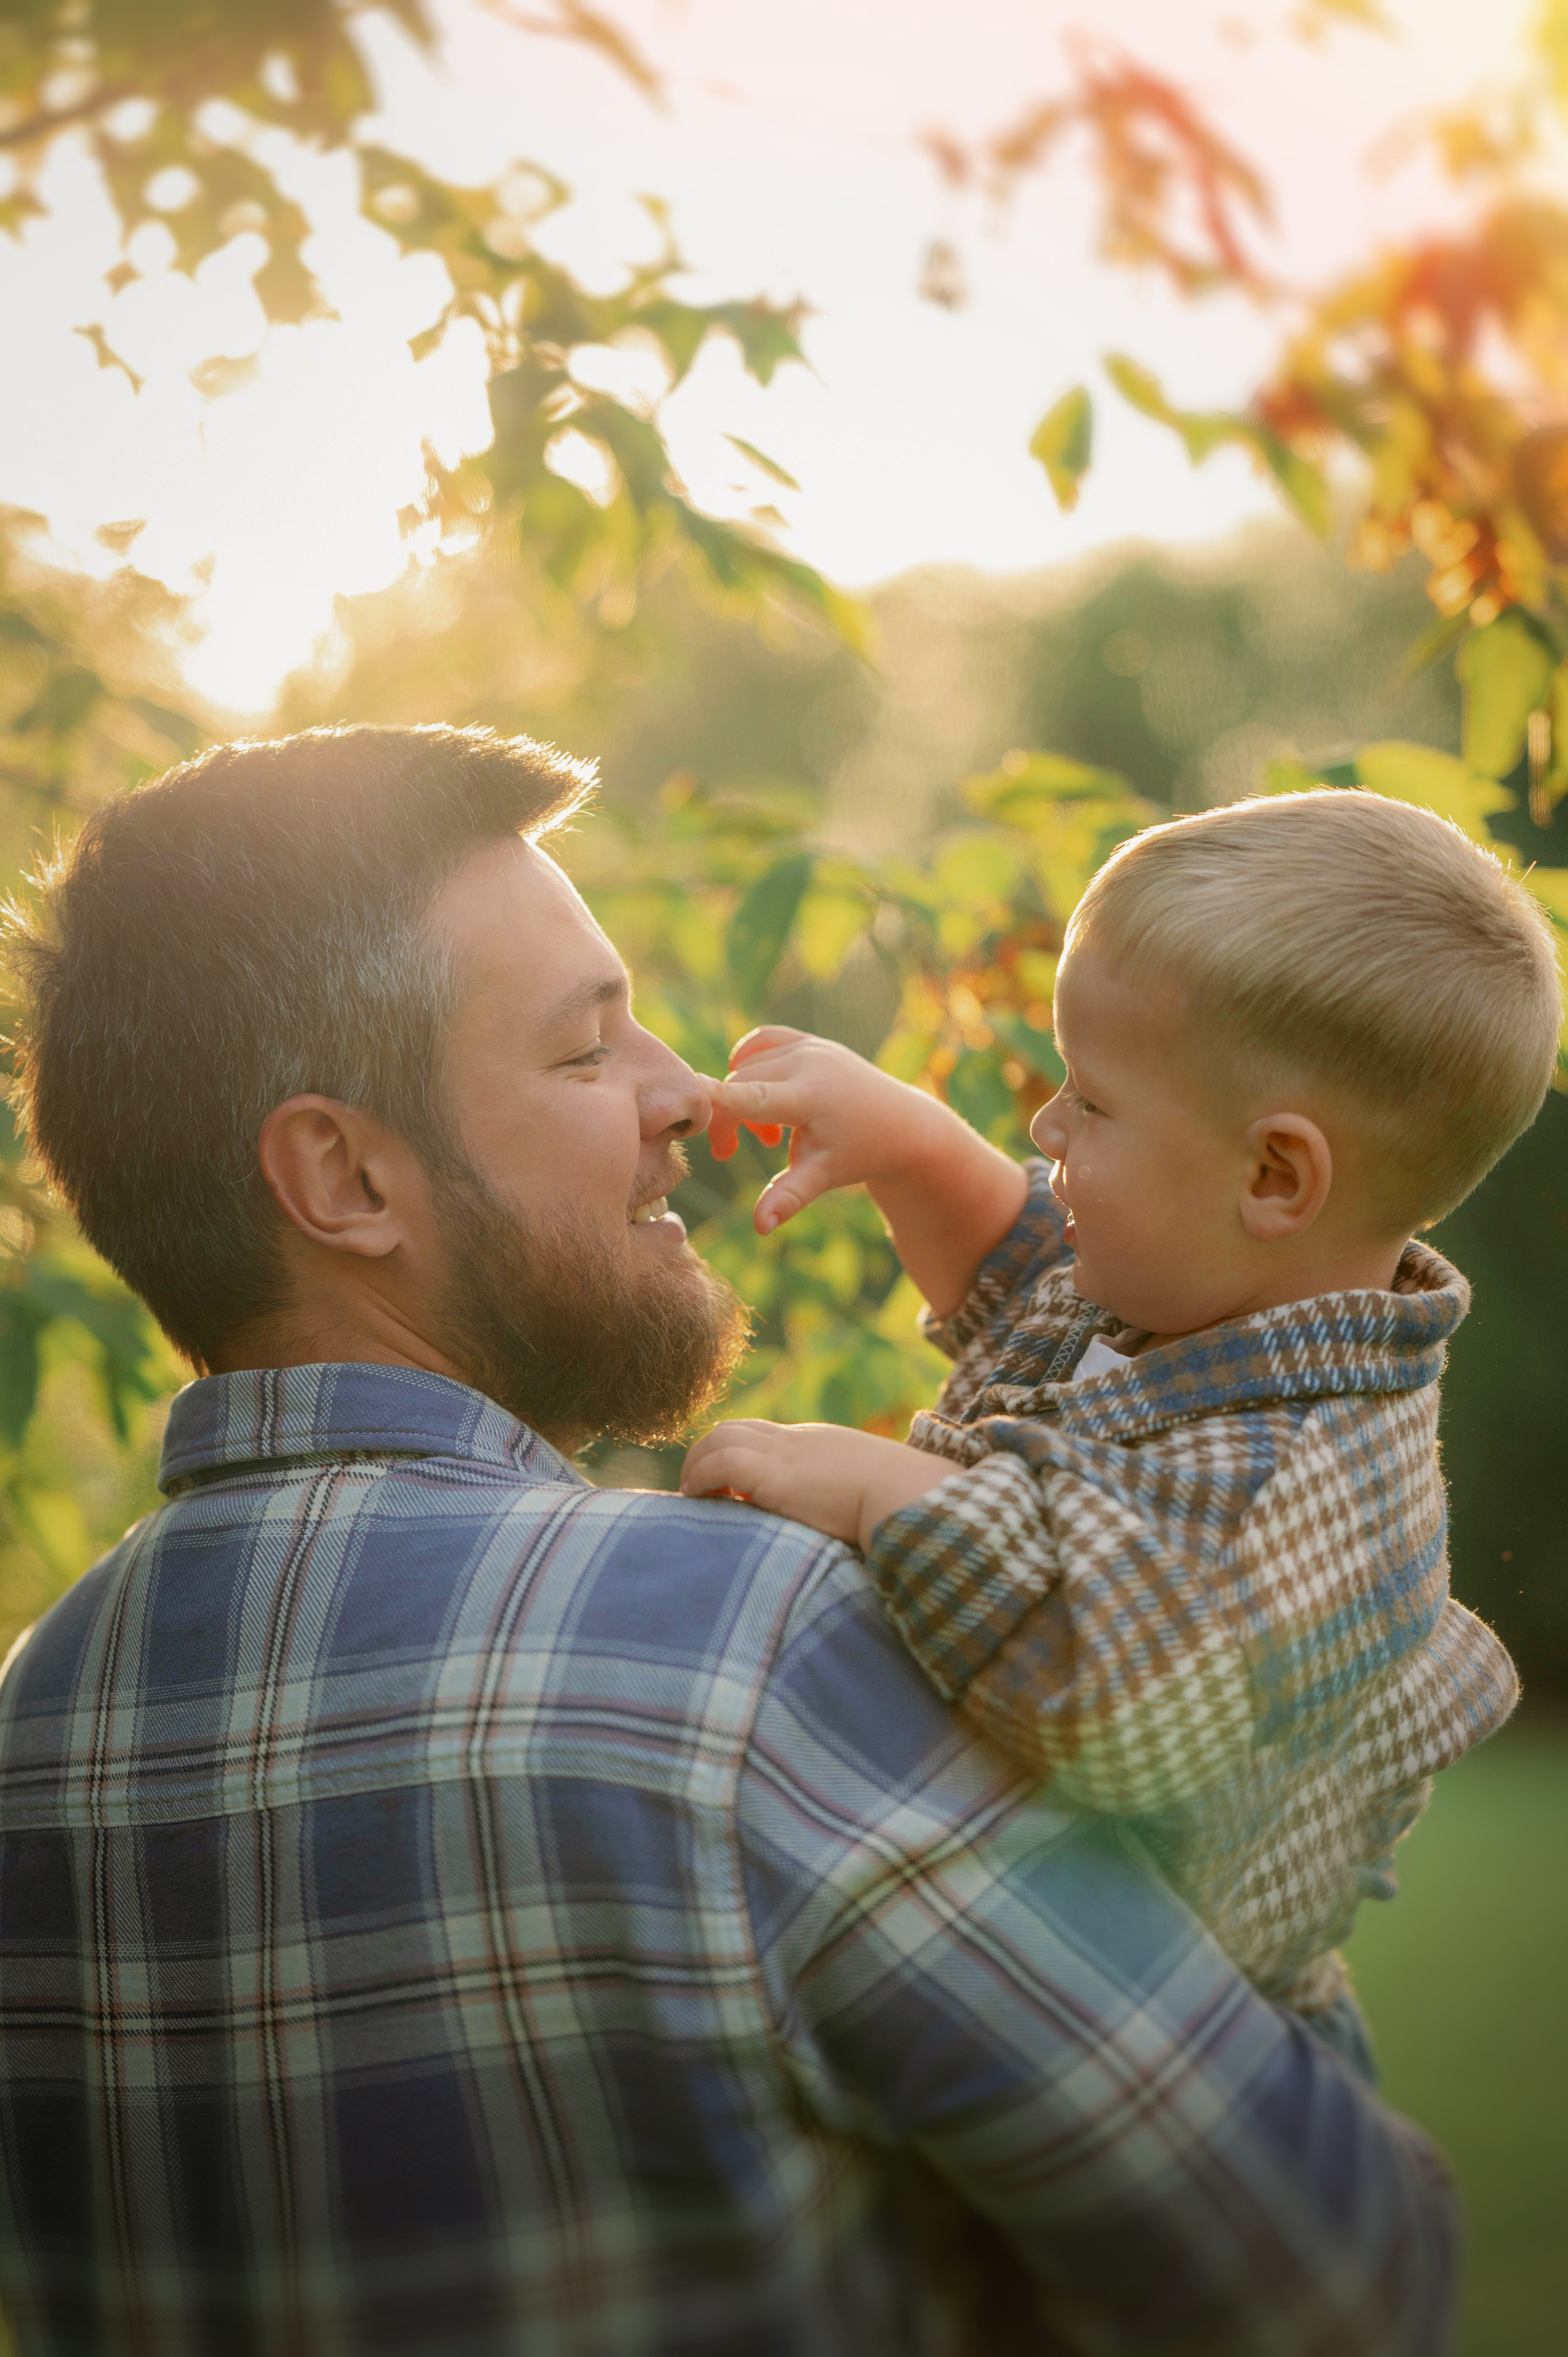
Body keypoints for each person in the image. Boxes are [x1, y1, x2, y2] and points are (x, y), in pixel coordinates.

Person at [0, 730, 1455, 2356]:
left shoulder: (34, 1720)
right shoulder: (749, 1646)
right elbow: (1341, 2275)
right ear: (343, 1176)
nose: (687, 1094)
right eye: (583, 1051)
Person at [684, 790, 1557, 2064]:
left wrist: (889, 1491)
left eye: (1089, 1102)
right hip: (1031, 1965)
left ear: (1274, 1176)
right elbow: (1024, 1275)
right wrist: (913, 1148)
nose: (1044, 1129)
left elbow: (1140, 1708)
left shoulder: (1308, 1479)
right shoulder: (1191, 1295)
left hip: (1170, 2046)